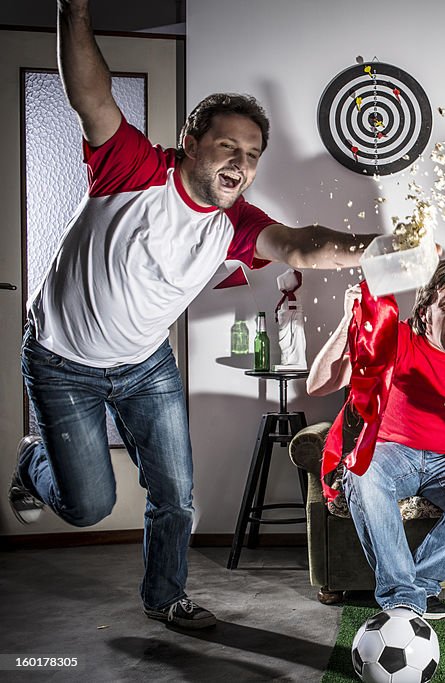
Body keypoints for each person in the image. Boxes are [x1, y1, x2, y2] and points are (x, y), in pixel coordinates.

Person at [8, 0, 376, 630]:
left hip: (145, 364)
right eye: (226, 145)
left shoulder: (238, 224)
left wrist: (381, 250)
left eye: (252, 153)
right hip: (62, 360)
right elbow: (91, 95)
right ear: (190, 142)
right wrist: (75, 12)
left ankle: (165, 596)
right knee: (89, 504)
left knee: (176, 495)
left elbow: (300, 243)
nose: (239, 162)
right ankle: (31, 462)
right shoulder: (133, 169)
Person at [307, 260, 445, 620]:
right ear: (425, 311)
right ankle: (404, 598)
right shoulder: (396, 338)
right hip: (392, 453)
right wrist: (348, 322)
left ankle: (412, 586)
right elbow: (318, 385)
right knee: (361, 473)